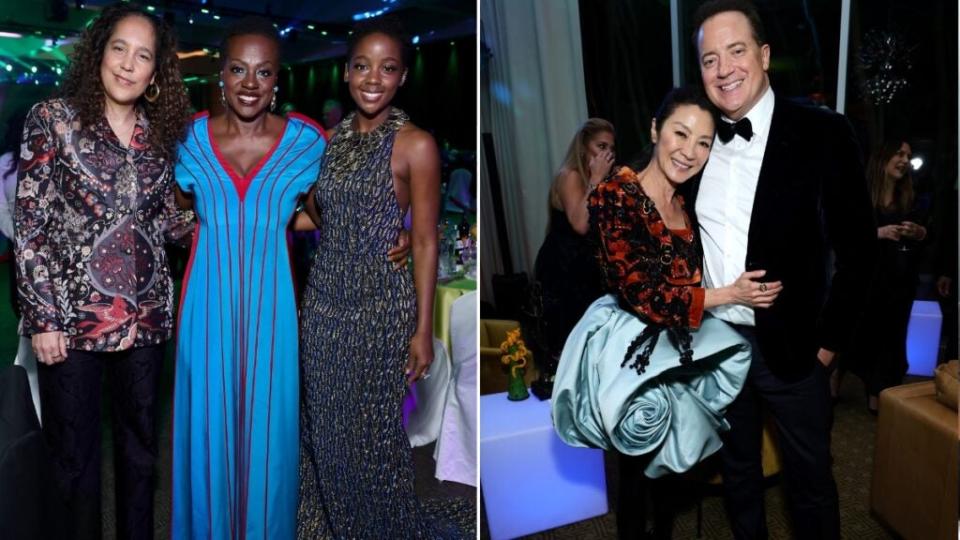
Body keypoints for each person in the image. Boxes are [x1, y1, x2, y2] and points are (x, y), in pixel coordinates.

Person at [171, 17, 410, 539]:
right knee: (209, 433)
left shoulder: (306, 141)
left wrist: (402, 230)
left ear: (278, 79)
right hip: (205, 313)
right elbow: (178, 212)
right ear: (221, 75)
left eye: (263, 72)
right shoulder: (190, 140)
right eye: (238, 70)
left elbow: (337, 208)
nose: (250, 83)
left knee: (269, 437)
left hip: (274, 313)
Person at [552, 87, 781, 539]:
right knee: (636, 469)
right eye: (681, 134)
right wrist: (729, 294)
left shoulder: (687, 200)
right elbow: (645, 294)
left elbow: (689, 276)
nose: (690, 151)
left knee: (672, 466)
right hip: (632, 348)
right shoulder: (614, 196)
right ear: (656, 130)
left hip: (682, 341)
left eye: (703, 143)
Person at [689, 1, 878, 538]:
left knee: (811, 484)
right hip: (719, 346)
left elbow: (861, 253)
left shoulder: (823, 132)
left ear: (764, 55)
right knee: (739, 474)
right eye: (709, 59)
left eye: (736, 51)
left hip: (796, 353)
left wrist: (827, 348)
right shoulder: (696, 142)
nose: (723, 69)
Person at [14, 4, 192, 538]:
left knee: (141, 454)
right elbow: (29, 223)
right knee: (74, 458)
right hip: (69, 323)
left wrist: (243, 223)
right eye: (120, 48)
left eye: (143, 56)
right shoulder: (52, 119)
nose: (128, 64)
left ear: (156, 72)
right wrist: (43, 317)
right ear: (99, 53)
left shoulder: (160, 138)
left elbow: (167, 222)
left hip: (146, 321)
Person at [297, 17, 473, 538]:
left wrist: (422, 330)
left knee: (370, 434)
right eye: (362, 65)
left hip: (380, 307)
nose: (373, 77)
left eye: (388, 67)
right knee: (323, 427)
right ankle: (330, 524)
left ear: (401, 78)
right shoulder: (327, 141)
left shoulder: (416, 143)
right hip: (324, 302)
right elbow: (316, 216)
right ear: (347, 73)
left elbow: (424, 239)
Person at [530, 118, 614, 396]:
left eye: (610, 149)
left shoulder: (595, 181)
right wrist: (597, 179)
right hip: (562, 273)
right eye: (600, 146)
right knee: (568, 348)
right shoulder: (571, 175)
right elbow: (580, 223)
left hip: (584, 273)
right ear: (583, 146)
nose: (606, 154)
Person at [845, 141, 927, 412]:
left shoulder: (911, 197)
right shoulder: (859, 193)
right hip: (865, 281)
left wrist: (919, 233)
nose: (904, 160)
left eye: (908, 156)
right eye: (899, 153)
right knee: (855, 334)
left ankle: (877, 397)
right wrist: (877, 233)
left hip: (898, 282)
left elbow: (929, 234)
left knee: (891, 340)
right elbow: (841, 236)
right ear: (883, 157)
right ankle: (833, 386)